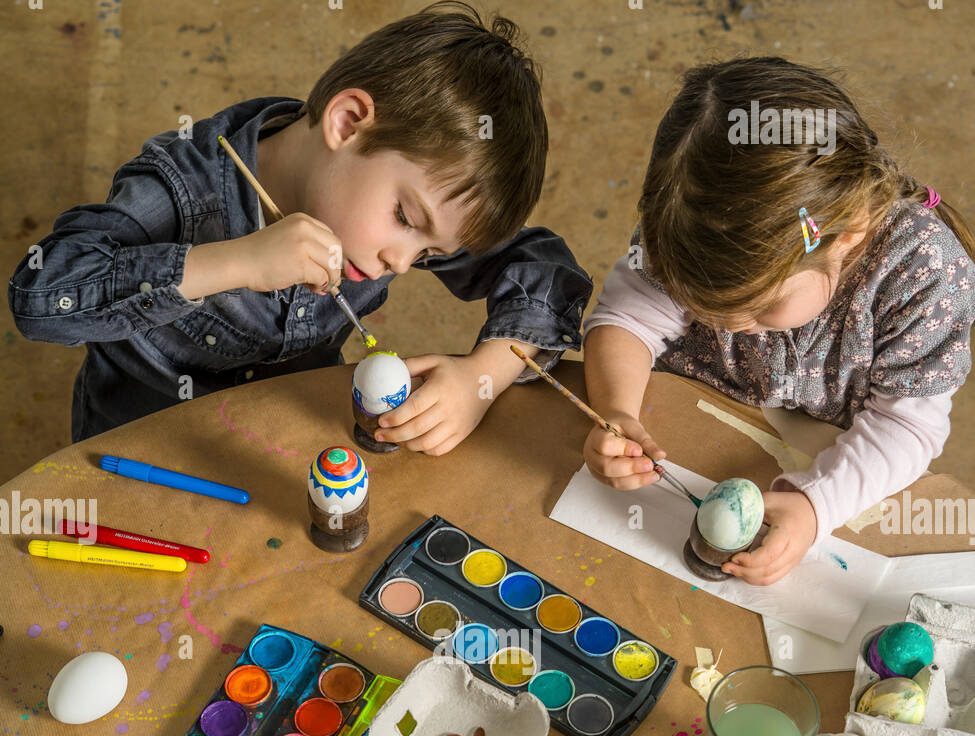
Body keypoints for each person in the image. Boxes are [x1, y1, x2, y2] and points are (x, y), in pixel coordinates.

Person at [8, 3, 591, 449]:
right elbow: (40, 296)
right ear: (347, 121)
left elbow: (546, 271)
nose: (402, 262)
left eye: (429, 251)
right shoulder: (185, 185)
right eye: (406, 220)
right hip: (139, 458)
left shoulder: (396, 224)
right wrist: (236, 263)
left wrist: (482, 378)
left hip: (284, 452)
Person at [582, 57, 975, 585]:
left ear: (849, 233)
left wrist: (817, 508)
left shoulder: (924, 274)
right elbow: (629, 315)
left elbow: (904, 425)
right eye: (704, 308)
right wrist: (617, 409)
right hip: (691, 416)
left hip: (831, 454)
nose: (732, 327)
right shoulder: (690, 215)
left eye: (761, 306)